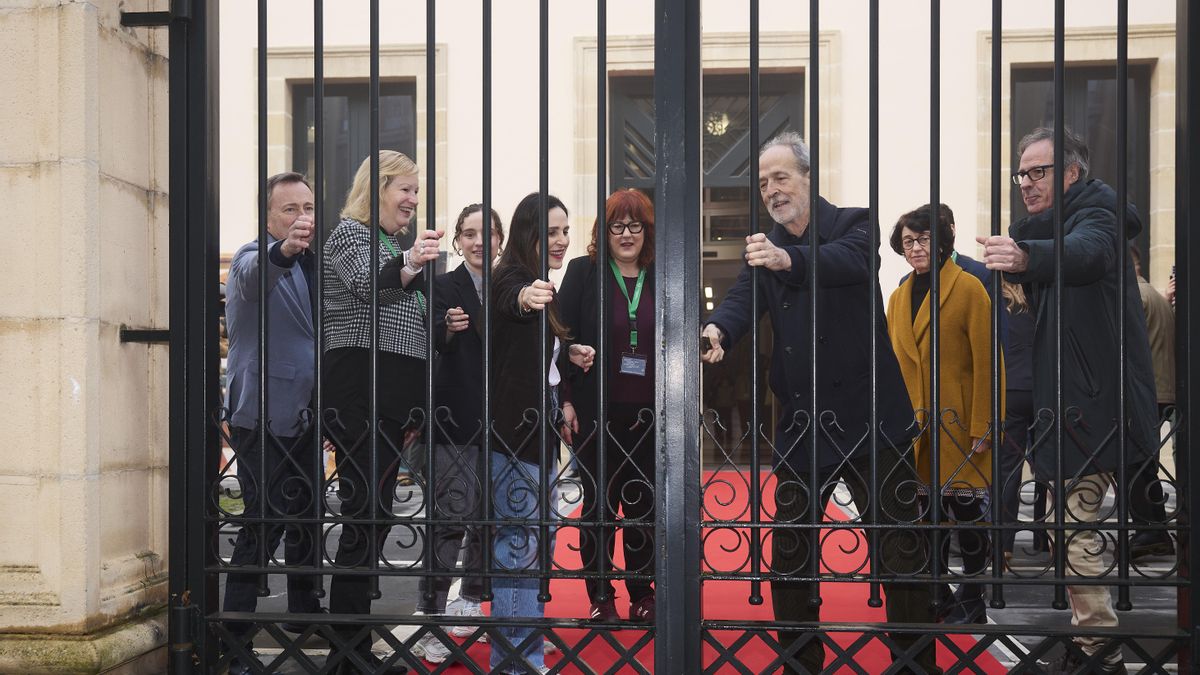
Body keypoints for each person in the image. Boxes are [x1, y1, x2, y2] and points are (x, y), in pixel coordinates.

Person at [701, 131, 936, 675]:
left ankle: (915, 661)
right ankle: (801, 662)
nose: (771, 191)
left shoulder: (855, 223)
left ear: (808, 177)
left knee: (899, 549)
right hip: (804, 423)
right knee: (791, 557)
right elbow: (742, 298)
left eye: (780, 177)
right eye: (762, 183)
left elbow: (846, 263)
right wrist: (718, 329)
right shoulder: (765, 247)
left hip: (871, 418)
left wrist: (787, 258)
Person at [978, 126, 1158, 674]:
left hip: (1097, 407)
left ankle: (1099, 650)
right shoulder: (1059, 223)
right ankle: (1090, 643)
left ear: (1072, 174)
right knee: (1065, 528)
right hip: (1070, 406)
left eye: (1038, 171)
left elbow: (1085, 255)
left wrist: (1027, 254)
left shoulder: (1097, 213)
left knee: (1072, 529)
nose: (1025, 183)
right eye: (1021, 173)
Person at [322, 150, 443, 674]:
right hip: (360, 399)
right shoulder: (350, 235)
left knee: (373, 521)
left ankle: (354, 648)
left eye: (417, 192)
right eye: (405, 191)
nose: (413, 201)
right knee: (364, 520)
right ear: (377, 189)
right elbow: (366, 284)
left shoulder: (394, 245)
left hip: (392, 403)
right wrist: (412, 263)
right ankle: (344, 654)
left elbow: (408, 322)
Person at [221, 172, 324, 675]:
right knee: (261, 524)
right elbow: (252, 276)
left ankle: (306, 612)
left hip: (306, 411)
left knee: (307, 513)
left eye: (307, 207)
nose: (302, 217)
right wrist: (282, 250)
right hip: (261, 412)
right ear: (268, 217)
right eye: (290, 209)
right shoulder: (251, 256)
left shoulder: (313, 266)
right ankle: (233, 635)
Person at [489, 192, 595, 674]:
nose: (562, 239)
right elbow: (509, 302)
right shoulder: (512, 278)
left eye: (565, 230)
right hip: (514, 432)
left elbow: (528, 351)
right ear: (529, 233)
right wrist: (525, 297)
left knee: (537, 540)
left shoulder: (540, 281)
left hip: (536, 429)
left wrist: (566, 355)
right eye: (551, 231)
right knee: (520, 544)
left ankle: (523, 638)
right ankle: (515, 662)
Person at [886, 203, 999, 625]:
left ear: (943, 241)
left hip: (959, 422)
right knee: (926, 515)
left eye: (923, 239)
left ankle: (974, 599)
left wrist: (984, 424)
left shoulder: (969, 288)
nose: (915, 247)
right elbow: (894, 364)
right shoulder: (898, 296)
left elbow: (989, 360)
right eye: (908, 241)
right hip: (914, 426)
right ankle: (939, 594)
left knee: (967, 514)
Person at [411, 204, 505, 664]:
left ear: (500, 240)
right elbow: (428, 336)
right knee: (450, 518)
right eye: (469, 234)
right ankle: (430, 614)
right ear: (458, 243)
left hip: (504, 423)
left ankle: (471, 600)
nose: (478, 242)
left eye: (487, 233)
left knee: (489, 516)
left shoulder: (511, 287)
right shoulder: (444, 284)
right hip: (453, 418)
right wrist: (447, 330)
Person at [558, 188, 658, 623]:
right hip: (596, 412)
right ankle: (600, 596)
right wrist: (564, 398)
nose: (627, 234)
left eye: (636, 226)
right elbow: (560, 337)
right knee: (599, 506)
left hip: (648, 416)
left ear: (647, 231)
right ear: (605, 230)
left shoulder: (661, 274)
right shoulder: (584, 272)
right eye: (617, 226)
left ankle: (642, 592)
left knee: (643, 508)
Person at [1127, 246, 1176, 560]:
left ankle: (1150, 530)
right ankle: (1153, 531)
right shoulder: (1154, 296)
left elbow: (1129, 349)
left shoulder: (1137, 298)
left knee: (1135, 464)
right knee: (1142, 464)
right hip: (1162, 390)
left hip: (1148, 392)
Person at [996, 280, 1040, 561]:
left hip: (1010, 389)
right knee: (1046, 466)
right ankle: (1048, 537)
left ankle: (1004, 544)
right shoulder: (1037, 300)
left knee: (1008, 469)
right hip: (1040, 389)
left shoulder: (998, 303)